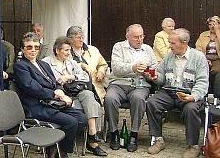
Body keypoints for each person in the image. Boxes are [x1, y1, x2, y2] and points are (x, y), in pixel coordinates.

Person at [14, 32, 87, 158]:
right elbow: (31, 88)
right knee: (71, 123)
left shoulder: (44, 64)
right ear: (22, 49)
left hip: (52, 104)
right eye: (29, 47)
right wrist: (55, 94)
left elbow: (56, 82)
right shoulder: (21, 66)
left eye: (36, 47)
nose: (33, 50)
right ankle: (61, 153)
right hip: (36, 107)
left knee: (82, 119)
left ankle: (55, 146)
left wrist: (60, 91)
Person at [146, 28, 208, 158]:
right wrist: (153, 76)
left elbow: (203, 82)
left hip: (189, 94)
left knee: (191, 109)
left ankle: (193, 145)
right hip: (169, 93)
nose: (170, 46)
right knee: (152, 102)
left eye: (173, 43)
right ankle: (158, 139)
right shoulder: (169, 56)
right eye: (170, 42)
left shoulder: (198, 58)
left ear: (184, 43)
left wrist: (193, 96)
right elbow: (161, 77)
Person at [43, 37, 107, 156]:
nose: (69, 53)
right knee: (93, 106)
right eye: (66, 50)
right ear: (57, 50)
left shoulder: (70, 62)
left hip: (75, 92)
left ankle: (92, 134)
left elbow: (85, 76)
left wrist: (69, 77)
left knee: (89, 95)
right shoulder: (47, 62)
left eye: (69, 50)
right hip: (59, 96)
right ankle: (92, 142)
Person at [105, 24, 157, 152]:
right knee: (109, 98)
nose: (140, 40)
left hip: (140, 84)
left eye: (141, 36)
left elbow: (155, 71)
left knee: (138, 98)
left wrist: (147, 72)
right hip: (119, 83)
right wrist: (132, 68)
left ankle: (134, 134)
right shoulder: (119, 47)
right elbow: (116, 68)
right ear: (127, 36)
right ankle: (114, 133)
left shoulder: (148, 49)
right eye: (136, 37)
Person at [66, 26, 108, 104]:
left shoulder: (93, 50)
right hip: (75, 91)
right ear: (70, 39)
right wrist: (82, 65)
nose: (81, 40)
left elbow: (103, 64)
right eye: (78, 37)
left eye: (82, 37)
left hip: (96, 89)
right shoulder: (66, 52)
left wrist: (101, 72)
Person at [195, 15, 220, 94]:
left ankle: (211, 91)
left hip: (217, 59)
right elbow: (198, 48)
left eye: (214, 24)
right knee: (201, 70)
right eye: (210, 24)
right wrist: (204, 59)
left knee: (215, 71)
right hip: (205, 58)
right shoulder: (203, 35)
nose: (212, 26)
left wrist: (218, 32)